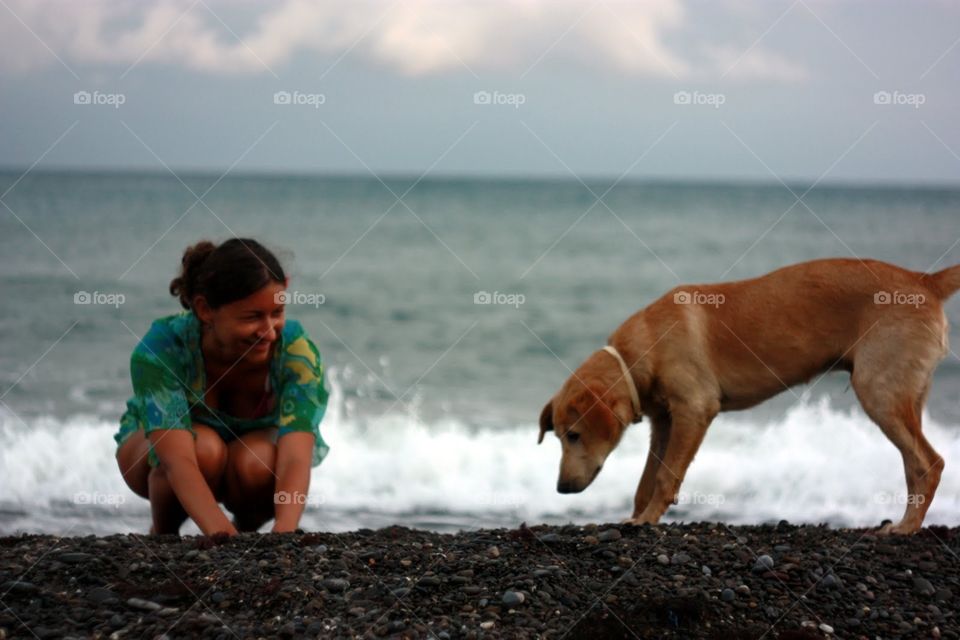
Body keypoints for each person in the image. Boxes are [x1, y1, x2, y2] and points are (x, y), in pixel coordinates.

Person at [114, 238, 330, 536]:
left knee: (260, 461)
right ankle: (163, 536)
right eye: (252, 317)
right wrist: (219, 531)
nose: (268, 332)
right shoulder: (163, 347)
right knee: (204, 449)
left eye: (276, 313)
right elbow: (177, 461)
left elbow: (295, 456)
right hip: (162, 453)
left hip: (249, 456)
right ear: (205, 309)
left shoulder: (296, 352)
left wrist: (285, 532)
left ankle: (247, 531)